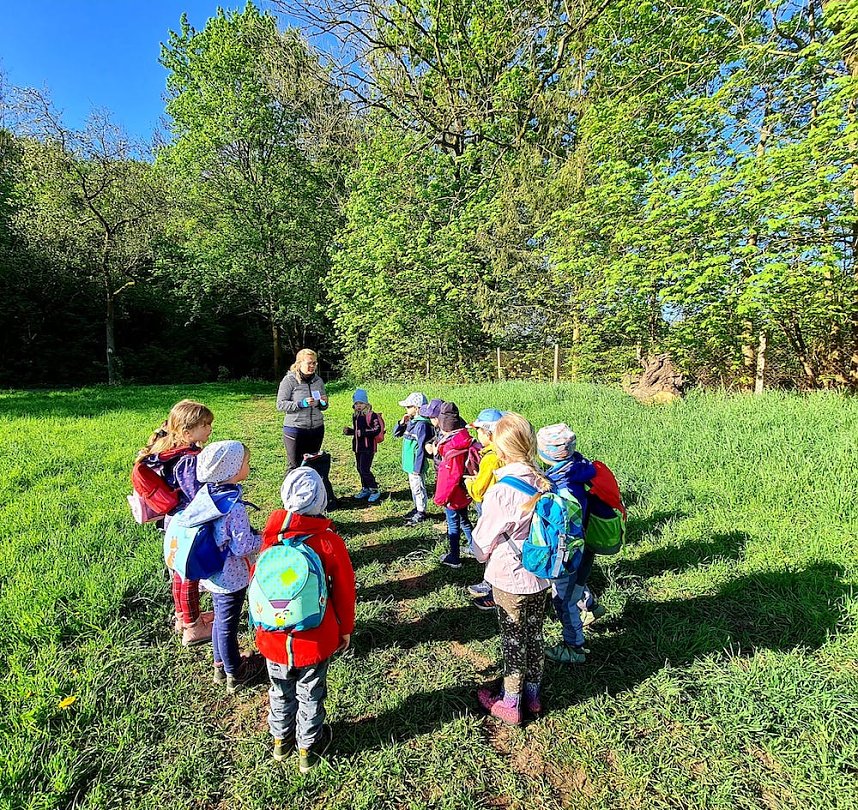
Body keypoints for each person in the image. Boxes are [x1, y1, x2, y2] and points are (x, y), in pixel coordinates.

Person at [255, 467, 356, 772]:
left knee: (279, 689)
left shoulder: (271, 539)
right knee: (311, 691)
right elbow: (344, 590)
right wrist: (345, 629)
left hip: (273, 636)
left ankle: (280, 740)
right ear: (321, 500)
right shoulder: (327, 541)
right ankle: (308, 748)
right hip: (315, 637)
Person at [472, 413, 552, 725]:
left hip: (510, 577)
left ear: (500, 449)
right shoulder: (544, 481)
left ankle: (510, 702)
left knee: (513, 638)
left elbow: (481, 543)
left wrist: (481, 555)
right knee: (535, 633)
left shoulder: (502, 490)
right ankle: (533, 694)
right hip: (541, 573)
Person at [136, 399, 215, 647]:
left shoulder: (168, 451)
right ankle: (194, 627)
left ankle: (183, 617)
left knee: (179, 573)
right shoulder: (188, 459)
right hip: (188, 523)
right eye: (205, 425)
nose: (210, 429)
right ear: (186, 432)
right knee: (190, 574)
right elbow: (195, 496)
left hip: (173, 521)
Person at [192, 440, 263, 693]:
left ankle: (220, 666)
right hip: (230, 576)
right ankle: (236, 672)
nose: (248, 466)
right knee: (227, 624)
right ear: (231, 470)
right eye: (246, 462)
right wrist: (264, 539)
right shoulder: (234, 506)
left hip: (212, 570)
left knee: (221, 620)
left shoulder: (208, 494)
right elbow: (242, 547)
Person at [536, 424, 606, 664]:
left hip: (570, 552)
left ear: (545, 453)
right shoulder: (579, 468)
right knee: (577, 584)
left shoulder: (561, 486)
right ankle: (592, 607)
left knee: (564, 602)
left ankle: (574, 647)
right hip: (586, 544)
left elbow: (564, 531)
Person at [464, 408, 505, 609]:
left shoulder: (490, 457)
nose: (477, 434)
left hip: (490, 505)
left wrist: (469, 483)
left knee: (492, 546)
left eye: (479, 430)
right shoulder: (504, 451)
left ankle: (491, 588)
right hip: (504, 505)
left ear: (489, 433)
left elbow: (479, 492)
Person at [433, 402, 476, 569]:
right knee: (464, 520)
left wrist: (440, 499)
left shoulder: (451, 449)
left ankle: (454, 557)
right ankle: (474, 547)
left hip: (453, 495)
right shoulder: (464, 439)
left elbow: (449, 478)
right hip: (464, 491)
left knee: (453, 525)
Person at [276, 349, 329, 473]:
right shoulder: (289, 380)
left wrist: (323, 403)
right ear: (299, 363)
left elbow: (323, 406)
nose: (312, 366)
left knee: (312, 465)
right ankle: (291, 486)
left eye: (314, 363)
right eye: (309, 363)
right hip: (295, 429)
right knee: (295, 466)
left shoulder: (318, 381)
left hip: (316, 429)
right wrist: (301, 404)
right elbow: (280, 404)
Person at [393, 392, 432, 525]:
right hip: (409, 462)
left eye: (409, 407)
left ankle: (421, 511)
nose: (406, 409)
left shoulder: (421, 425)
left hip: (416, 463)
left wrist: (418, 467)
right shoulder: (411, 422)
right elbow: (396, 434)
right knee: (413, 487)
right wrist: (401, 423)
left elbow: (421, 447)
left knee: (418, 487)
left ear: (417, 408)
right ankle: (417, 507)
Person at [343, 388, 383, 503]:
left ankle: (374, 489)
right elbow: (357, 432)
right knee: (359, 468)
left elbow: (377, 429)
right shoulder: (356, 416)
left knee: (365, 469)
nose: (358, 406)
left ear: (366, 403)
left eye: (361, 403)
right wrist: (350, 431)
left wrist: (364, 432)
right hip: (358, 447)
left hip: (368, 447)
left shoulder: (371, 415)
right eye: (356, 404)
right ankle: (365, 488)